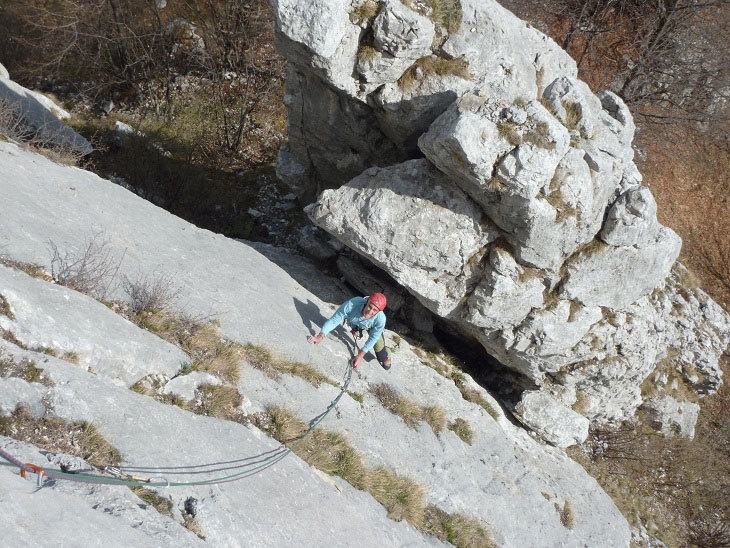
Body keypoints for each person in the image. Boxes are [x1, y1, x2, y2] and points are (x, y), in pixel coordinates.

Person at [307, 293, 391, 370]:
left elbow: (374, 337)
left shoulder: (381, 319)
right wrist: (320, 336)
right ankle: (356, 328)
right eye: (369, 306)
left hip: (371, 326)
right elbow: (334, 320)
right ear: (367, 301)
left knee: (380, 351)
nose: (370, 311)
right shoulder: (353, 304)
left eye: (374, 310)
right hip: (355, 320)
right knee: (355, 323)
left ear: (379, 311)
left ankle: (386, 355)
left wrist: (360, 355)